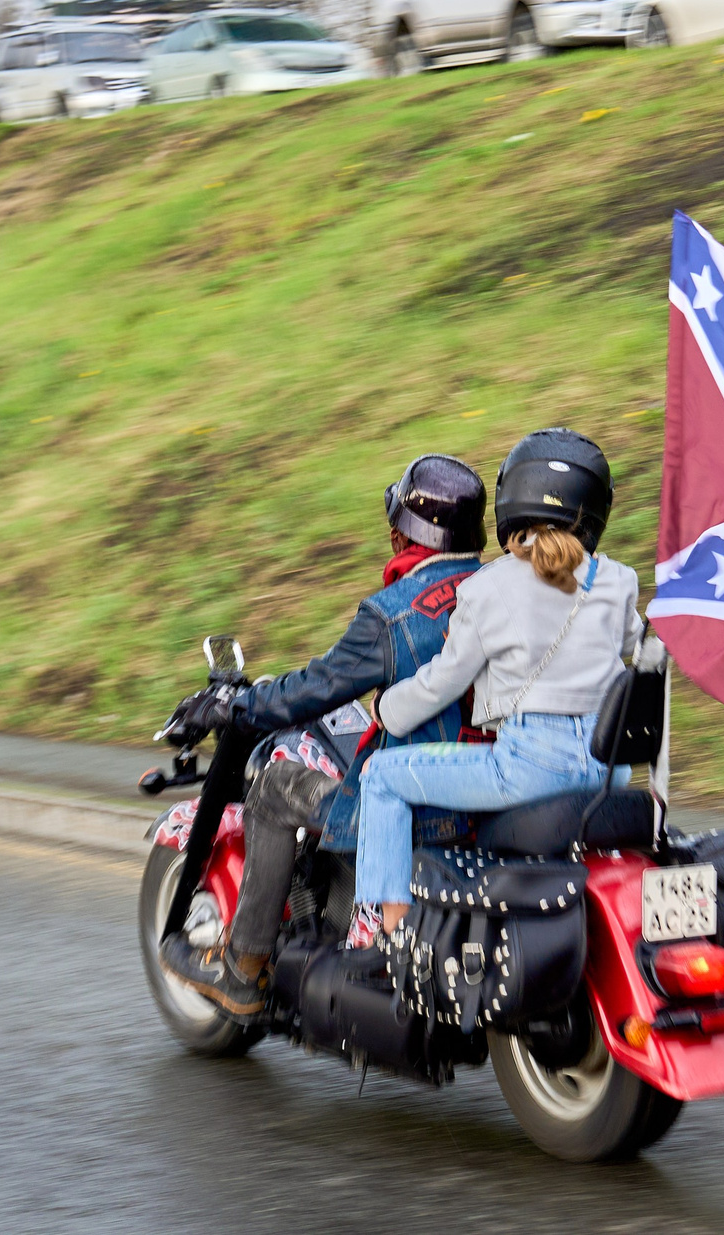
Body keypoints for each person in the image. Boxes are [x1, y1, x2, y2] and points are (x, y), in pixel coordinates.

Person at [158, 455, 489, 1018]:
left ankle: (243, 968)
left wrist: (237, 703)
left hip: (417, 804)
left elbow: (314, 689)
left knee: (273, 789)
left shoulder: (391, 615)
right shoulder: (499, 589)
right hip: (487, 787)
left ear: (397, 535)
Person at [353, 430, 642, 936]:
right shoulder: (618, 579)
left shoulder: (486, 587)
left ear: (511, 501)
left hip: (528, 768)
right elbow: (642, 654)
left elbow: (442, 682)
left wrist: (387, 710)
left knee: (381, 774)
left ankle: (388, 934)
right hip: (609, 770)